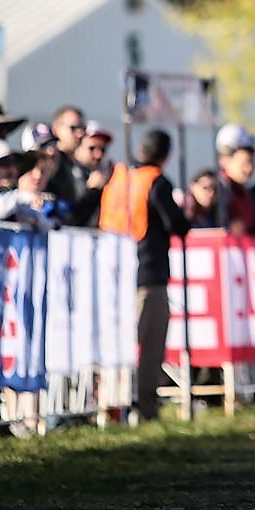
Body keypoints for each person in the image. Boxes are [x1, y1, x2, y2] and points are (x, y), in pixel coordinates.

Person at [98, 129, 190, 421]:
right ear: (166, 155)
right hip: (148, 275)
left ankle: (110, 407)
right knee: (149, 347)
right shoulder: (157, 182)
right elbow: (177, 224)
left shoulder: (117, 180)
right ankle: (145, 408)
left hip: (113, 273)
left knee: (117, 346)